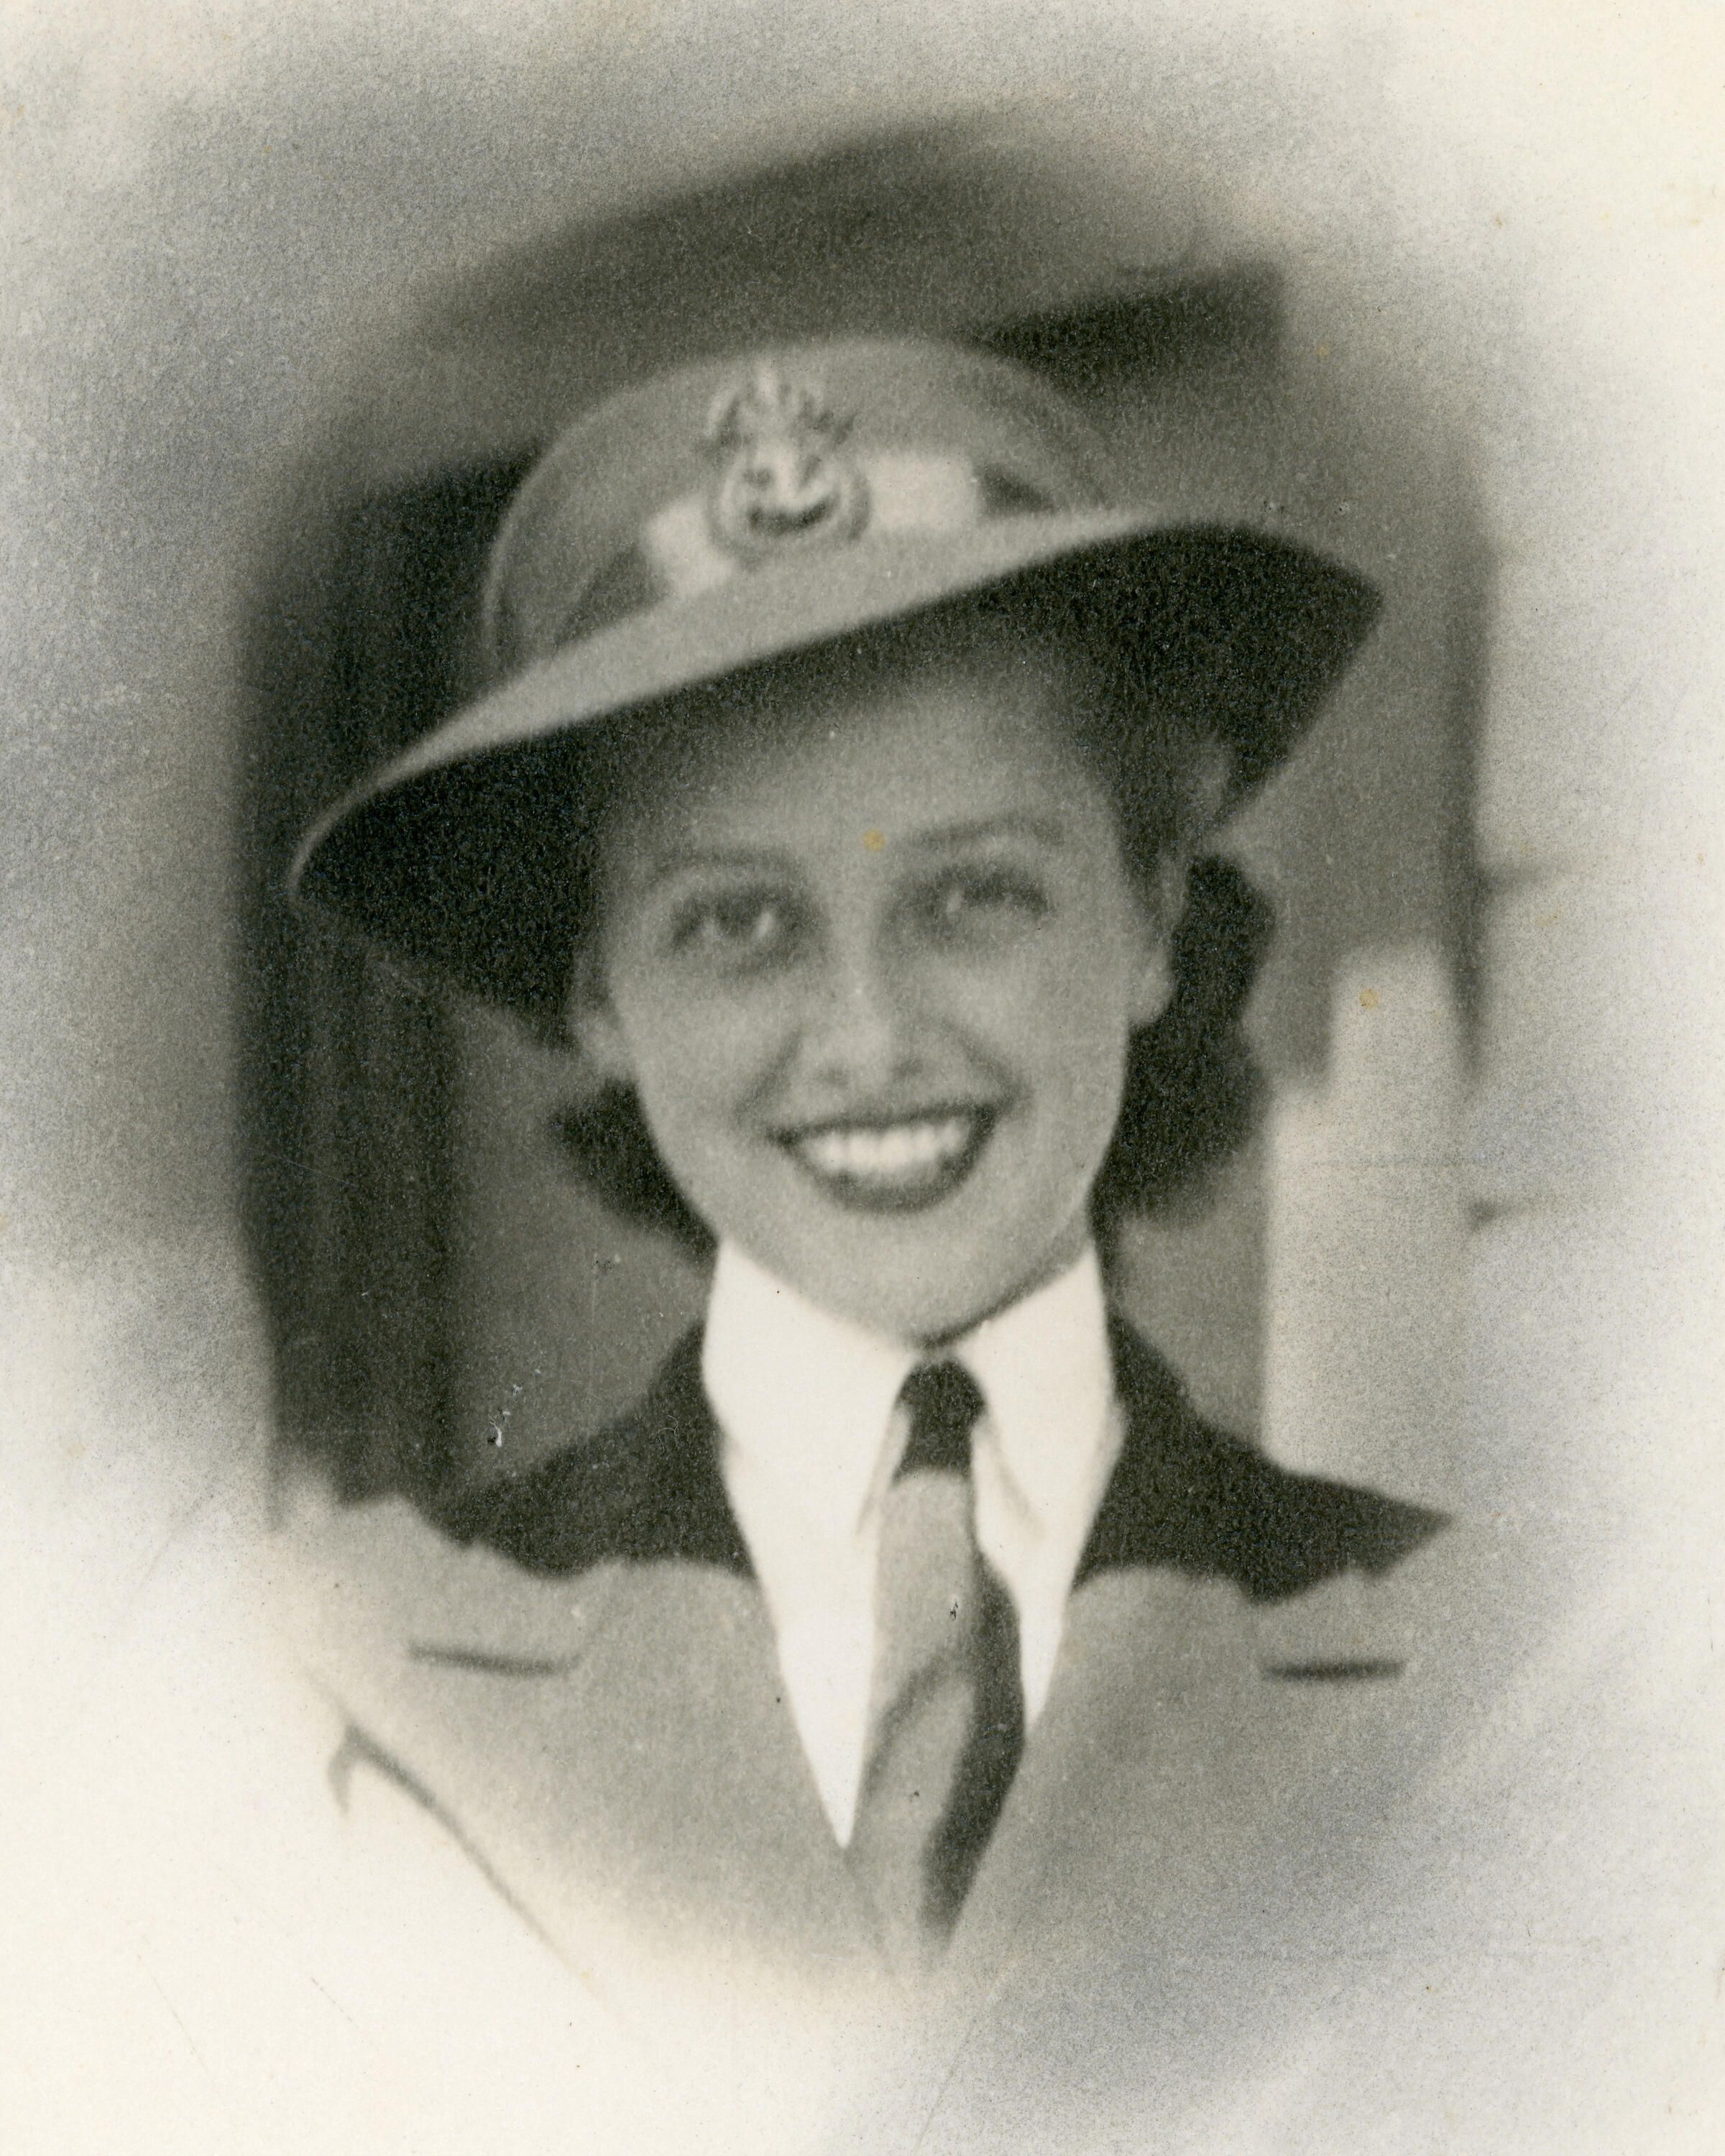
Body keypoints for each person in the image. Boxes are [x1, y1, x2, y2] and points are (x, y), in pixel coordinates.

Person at [285, 336, 1461, 2073]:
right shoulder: (319, 1684)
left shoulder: (1480, 1666)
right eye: (735, 923)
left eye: (976, 895)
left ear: (1150, 917)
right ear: (596, 992)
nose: (868, 1038)